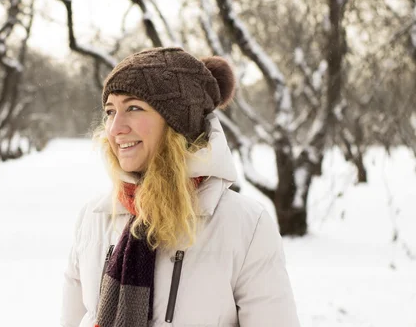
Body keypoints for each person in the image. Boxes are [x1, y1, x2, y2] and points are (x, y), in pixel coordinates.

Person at [61, 47, 300, 327]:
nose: (114, 128)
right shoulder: (94, 218)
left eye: (133, 108)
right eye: (110, 111)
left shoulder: (246, 226)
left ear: (177, 124)